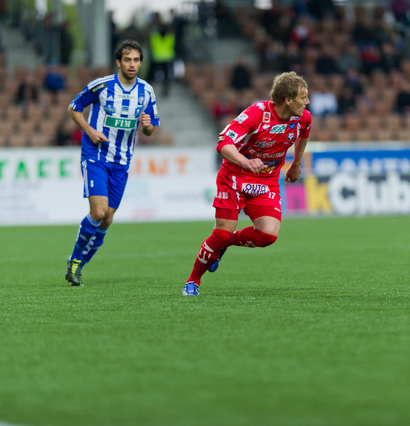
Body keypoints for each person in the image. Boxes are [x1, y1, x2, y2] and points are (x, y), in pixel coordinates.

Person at [182, 71, 312, 296]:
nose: (307, 102)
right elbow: (224, 142)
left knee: (268, 236)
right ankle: (193, 280)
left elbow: (304, 135)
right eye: (303, 98)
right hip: (235, 178)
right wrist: (245, 162)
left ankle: (225, 244)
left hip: (267, 181)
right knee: (220, 233)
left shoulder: (303, 117)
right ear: (287, 100)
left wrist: (296, 164)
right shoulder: (257, 114)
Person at [65, 39, 160, 286]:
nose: (132, 64)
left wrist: (147, 127)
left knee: (107, 218)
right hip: (96, 155)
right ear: (118, 62)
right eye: (127, 59)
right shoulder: (102, 85)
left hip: (122, 161)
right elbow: (74, 108)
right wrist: (89, 130)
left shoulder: (146, 91)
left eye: (136, 60)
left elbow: (150, 130)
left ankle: (80, 265)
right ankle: (74, 260)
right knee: (97, 211)